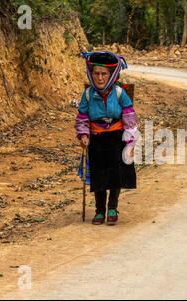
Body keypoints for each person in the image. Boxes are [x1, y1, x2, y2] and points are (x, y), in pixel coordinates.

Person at [74, 51, 139, 225]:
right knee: (99, 175)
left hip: (117, 138)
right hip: (96, 139)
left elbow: (129, 116)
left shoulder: (119, 93)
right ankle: (99, 211)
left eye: (104, 74)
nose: (100, 78)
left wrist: (130, 140)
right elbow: (82, 117)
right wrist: (83, 135)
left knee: (115, 174)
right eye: (96, 73)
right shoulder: (88, 94)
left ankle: (112, 208)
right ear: (91, 74)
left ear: (111, 75)